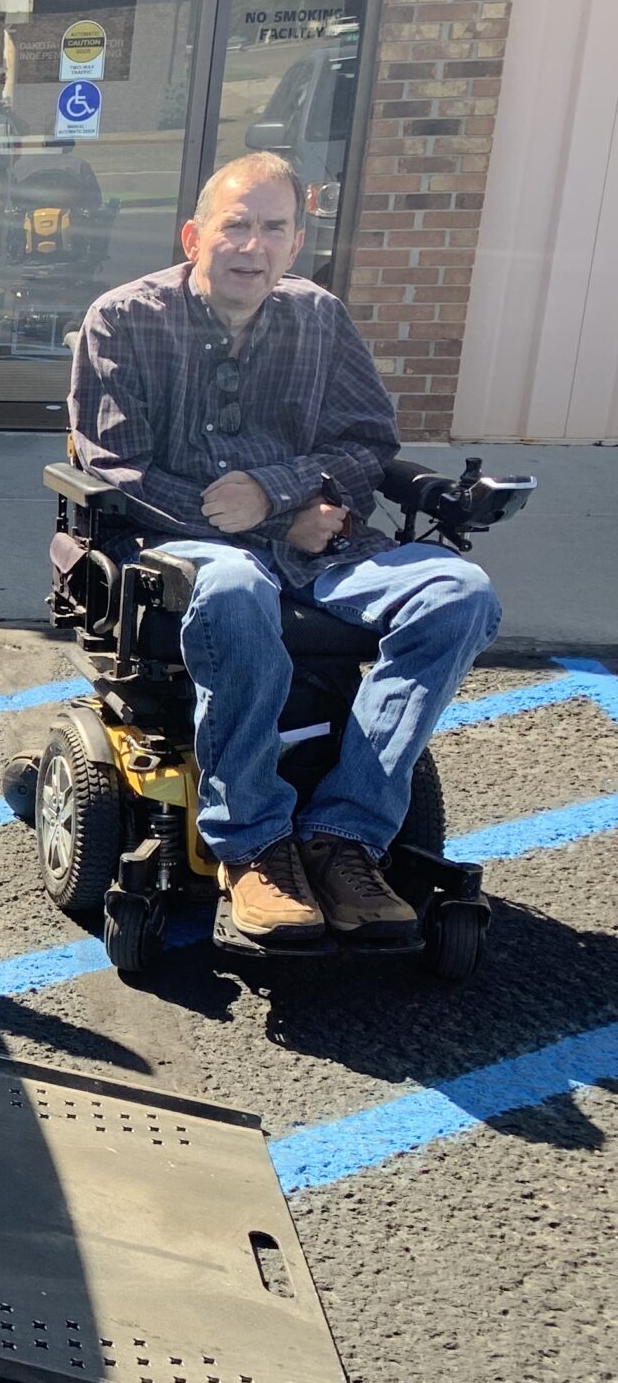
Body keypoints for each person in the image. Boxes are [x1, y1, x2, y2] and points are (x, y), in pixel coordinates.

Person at [68, 151, 501, 945]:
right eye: (236, 225)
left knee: (460, 593)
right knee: (234, 586)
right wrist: (271, 521)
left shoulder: (320, 318)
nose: (252, 246)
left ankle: (346, 837)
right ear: (196, 234)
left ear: (295, 244)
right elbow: (113, 467)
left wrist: (277, 492)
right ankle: (256, 845)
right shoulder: (124, 319)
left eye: (273, 229)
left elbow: (368, 443)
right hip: (181, 549)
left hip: (323, 548)